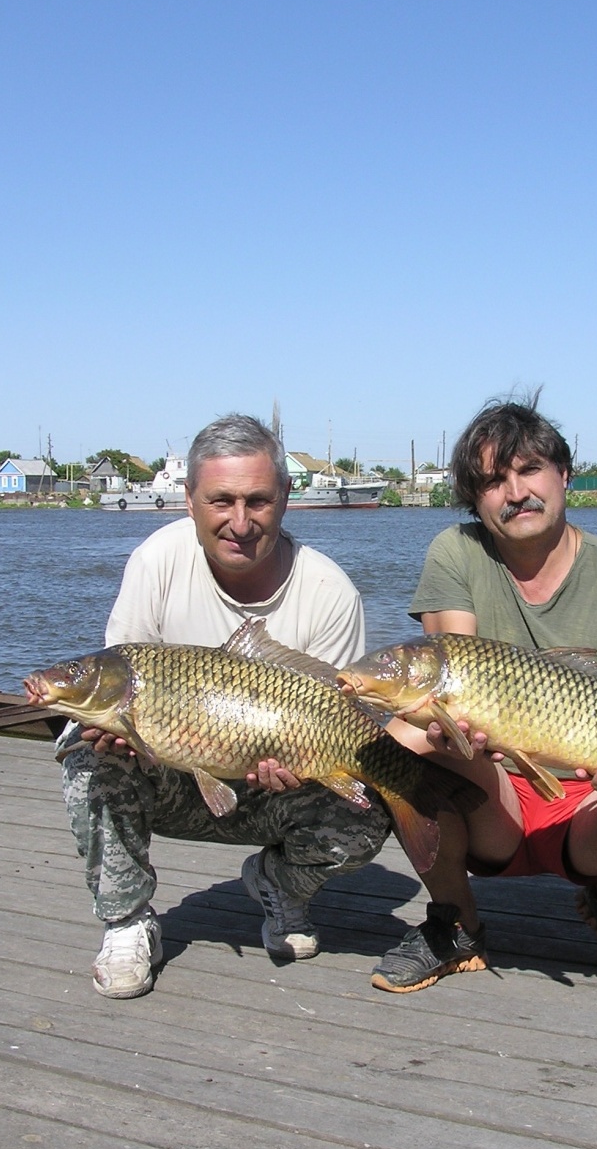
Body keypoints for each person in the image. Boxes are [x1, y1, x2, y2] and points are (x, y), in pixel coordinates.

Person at [369, 393, 597, 993]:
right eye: (492, 481)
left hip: (592, 802)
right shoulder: (457, 552)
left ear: (564, 474)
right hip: (493, 787)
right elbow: (449, 676)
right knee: (400, 742)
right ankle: (456, 921)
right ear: (475, 500)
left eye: (529, 469)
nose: (515, 492)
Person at [57, 413, 392, 999]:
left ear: (285, 499)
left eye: (258, 501)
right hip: (171, 772)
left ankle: (280, 883)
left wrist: (298, 770)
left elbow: (343, 722)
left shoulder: (329, 591)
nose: (240, 522)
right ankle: (127, 921)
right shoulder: (157, 561)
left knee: (375, 799)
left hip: (274, 783)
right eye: (221, 501)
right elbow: (121, 670)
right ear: (189, 501)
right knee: (85, 752)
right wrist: (119, 734)